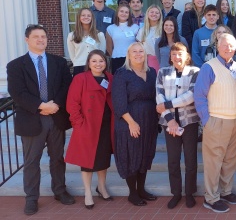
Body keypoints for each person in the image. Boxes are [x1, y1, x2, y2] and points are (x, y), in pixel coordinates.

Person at [7, 24, 74, 215]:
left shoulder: (59, 62)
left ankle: (60, 191)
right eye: (36, 37)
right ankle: (31, 198)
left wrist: (55, 105)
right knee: (31, 161)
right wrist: (41, 106)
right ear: (27, 40)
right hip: (31, 118)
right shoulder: (15, 65)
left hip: (56, 117)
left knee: (58, 158)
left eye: (43, 36)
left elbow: (66, 86)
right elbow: (17, 93)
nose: (40, 40)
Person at [194, 34, 236, 213]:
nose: (228, 48)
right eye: (224, 45)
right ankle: (211, 197)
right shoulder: (209, 67)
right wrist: (207, 121)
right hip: (216, 120)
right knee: (214, 162)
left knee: (230, 160)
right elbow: (199, 96)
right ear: (218, 46)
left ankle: (226, 191)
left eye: (231, 46)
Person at [65, 50, 114, 209]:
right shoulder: (81, 78)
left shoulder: (110, 78)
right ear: (88, 63)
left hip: (106, 124)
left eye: (101, 61)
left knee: (103, 158)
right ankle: (87, 192)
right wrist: (78, 124)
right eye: (94, 61)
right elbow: (72, 104)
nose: (98, 64)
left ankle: (102, 187)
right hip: (88, 125)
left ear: (105, 62)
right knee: (87, 160)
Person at [112, 42, 159, 206]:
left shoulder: (152, 72)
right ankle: (133, 193)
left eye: (141, 51)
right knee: (132, 155)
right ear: (128, 54)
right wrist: (131, 123)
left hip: (149, 120)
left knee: (145, 154)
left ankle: (141, 189)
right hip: (129, 121)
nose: (138, 54)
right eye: (134, 51)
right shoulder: (122, 74)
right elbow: (118, 103)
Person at [155, 42, 201, 209]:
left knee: (190, 160)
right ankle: (176, 193)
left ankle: (189, 193)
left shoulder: (195, 72)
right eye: (174, 54)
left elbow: (191, 96)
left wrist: (168, 105)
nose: (177, 57)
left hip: (189, 122)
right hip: (170, 123)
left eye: (180, 53)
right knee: (173, 160)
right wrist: (170, 119)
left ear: (186, 55)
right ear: (170, 56)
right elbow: (159, 96)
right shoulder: (163, 72)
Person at [67, 8, 106, 76]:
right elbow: (72, 55)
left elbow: (102, 53)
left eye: (88, 15)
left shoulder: (99, 35)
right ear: (79, 17)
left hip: (96, 68)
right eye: (83, 15)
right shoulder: (72, 36)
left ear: (92, 18)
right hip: (79, 67)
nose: (86, 17)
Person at [106, 5, 139, 72]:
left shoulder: (135, 27)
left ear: (129, 15)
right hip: (116, 59)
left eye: (126, 12)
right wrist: (113, 55)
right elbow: (108, 47)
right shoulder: (110, 28)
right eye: (121, 11)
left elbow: (138, 44)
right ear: (117, 13)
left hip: (132, 59)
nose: (124, 14)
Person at [137, 5, 163, 72]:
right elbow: (139, 47)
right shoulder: (142, 30)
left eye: (157, 13)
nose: (154, 14)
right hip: (149, 61)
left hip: (163, 60)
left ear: (160, 15)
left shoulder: (164, 29)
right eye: (152, 12)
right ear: (147, 14)